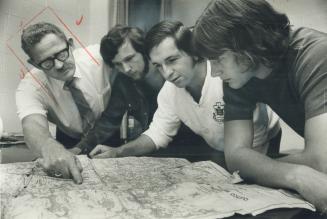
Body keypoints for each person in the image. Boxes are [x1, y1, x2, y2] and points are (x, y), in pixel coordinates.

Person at [192, 0, 327, 213]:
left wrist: (261, 167)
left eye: (218, 59)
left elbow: (322, 161)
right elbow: (235, 157)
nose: (214, 72)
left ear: (246, 46)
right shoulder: (239, 75)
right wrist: (298, 175)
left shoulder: (315, 54)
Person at [90, 21, 281, 168]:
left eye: (172, 60)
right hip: (220, 147)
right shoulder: (169, 91)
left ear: (194, 53)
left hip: (262, 141)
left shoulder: (228, 79)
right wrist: (118, 152)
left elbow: (254, 148)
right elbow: (158, 134)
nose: (167, 73)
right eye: (158, 66)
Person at [17, 22, 114, 183]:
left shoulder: (99, 56)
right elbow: (32, 125)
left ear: (71, 44)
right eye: (46, 62)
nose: (59, 65)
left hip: (110, 133)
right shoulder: (30, 86)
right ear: (34, 64)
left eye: (62, 54)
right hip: (69, 141)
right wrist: (47, 146)